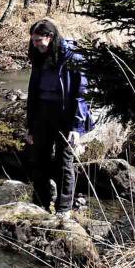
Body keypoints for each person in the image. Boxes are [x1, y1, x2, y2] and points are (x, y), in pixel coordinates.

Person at [24, 18, 92, 217]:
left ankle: (64, 209)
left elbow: (82, 94)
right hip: (42, 114)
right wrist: (30, 126)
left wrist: (77, 127)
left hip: (66, 116)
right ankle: (41, 204)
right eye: (33, 41)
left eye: (38, 40)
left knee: (64, 162)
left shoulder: (73, 57)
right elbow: (33, 93)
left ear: (50, 37)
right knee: (39, 159)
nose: (35, 45)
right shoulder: (38, 55)